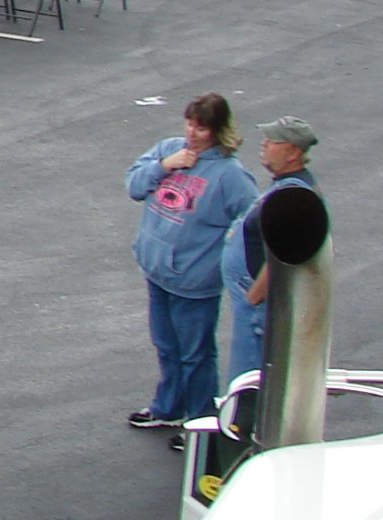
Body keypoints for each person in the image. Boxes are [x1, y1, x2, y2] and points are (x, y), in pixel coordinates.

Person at [127, 93, 260, 448]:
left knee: (196, 355)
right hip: (159, 272)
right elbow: (134, 186)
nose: (192, 133)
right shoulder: (169, 149)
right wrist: (163, 166)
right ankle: (168, 407)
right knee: (166, 346)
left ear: (217, 130)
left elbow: (252, 219)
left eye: (201, 128)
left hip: (194, 283)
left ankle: (201, 422)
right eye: (189, 123)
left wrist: (225, 258)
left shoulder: (230, 175)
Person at [224, 116, 318, 390]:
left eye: (272, 141)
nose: (263, 144)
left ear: (293, 152)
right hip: (254, 305)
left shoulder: (294, 195)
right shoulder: (285, 186)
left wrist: (254, 297)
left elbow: (287, 254)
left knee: (248, 387)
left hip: (259, 308)